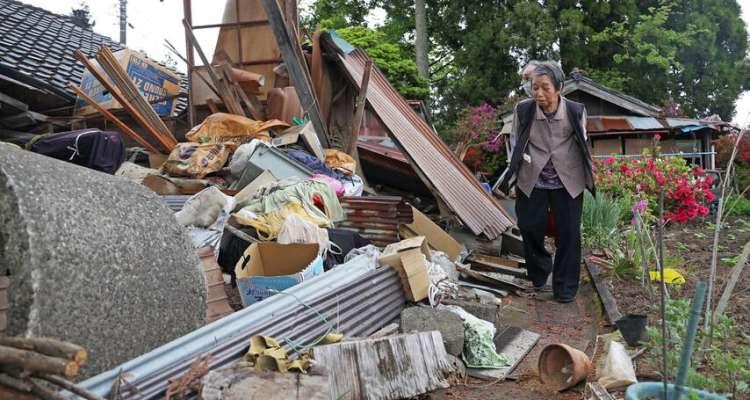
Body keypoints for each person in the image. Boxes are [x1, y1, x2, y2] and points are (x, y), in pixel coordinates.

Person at [499, 62, 595, 303]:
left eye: (545, 88)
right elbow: (515, 141)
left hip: (568, 179)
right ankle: (541, 272)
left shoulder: (575, 110)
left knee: (569, 233)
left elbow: (582, 142)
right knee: (529, 227)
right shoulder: (524, 110)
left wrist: (588, 175)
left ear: (559, 88)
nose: (539, 94)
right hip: (533, 177)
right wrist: (513, 172)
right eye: (535, 88)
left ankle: (565, 288)